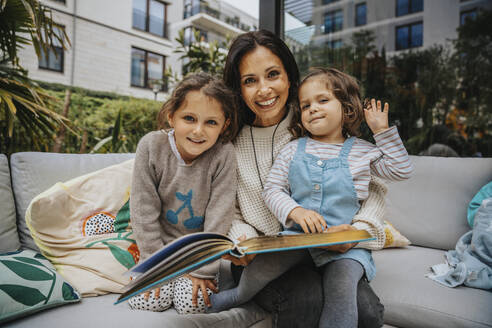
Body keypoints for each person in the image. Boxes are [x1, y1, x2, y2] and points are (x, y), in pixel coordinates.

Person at [210, 30, 388, 328]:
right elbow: (229, 209)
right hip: (266, 257)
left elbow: (373, 187)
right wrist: (242, 239)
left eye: (272, 74)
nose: (264, 89)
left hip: (333, 248)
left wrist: (355, 233)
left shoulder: (314, 116)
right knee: (306, 301)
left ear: (289, 78)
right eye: (250, 80)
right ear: (238, 89)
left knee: (367, 314)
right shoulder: (228, 142)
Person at [128, 72, 239, 314]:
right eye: (189, 118)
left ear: (225, 125)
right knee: (148, 300)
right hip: (160, 250)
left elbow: (219, 216)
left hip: (199, 255)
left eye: (211, 122)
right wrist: (154, 266)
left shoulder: (224, 154)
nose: (198, 131)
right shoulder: (151, 146)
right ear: (171, 116)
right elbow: (142, 210)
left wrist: (201, 270)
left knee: (192, 304)